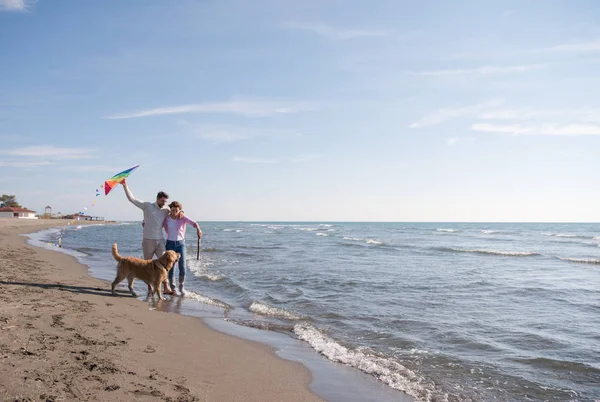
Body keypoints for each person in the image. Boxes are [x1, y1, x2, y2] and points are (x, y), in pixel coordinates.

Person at [121, 178, 178, 295]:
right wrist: (125, 185)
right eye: (162, 201)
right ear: (157, 199)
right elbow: (132, 199)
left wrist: (181, 213)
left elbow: (176, 212)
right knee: (147, 265)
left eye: (165, 202)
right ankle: (149, 287)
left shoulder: (165, 211)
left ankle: (166, 287)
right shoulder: (147, 206)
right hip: (148, 241)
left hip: (160, 240)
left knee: (165, 264)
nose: (164, 203)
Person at [162, 201, 202, 295]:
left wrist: (199, 230)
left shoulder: (182, 217)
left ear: (179, 210)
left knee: (182, 266)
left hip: (181, 244)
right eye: (173, 210)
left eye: (176, 210)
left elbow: (194, 223)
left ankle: (181, 287)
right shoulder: (167, 218)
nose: (175, 212)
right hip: (170, 244)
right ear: (170, 209)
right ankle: (173, 288)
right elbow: (157, 222)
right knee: (170, 267)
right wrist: (145, 223)